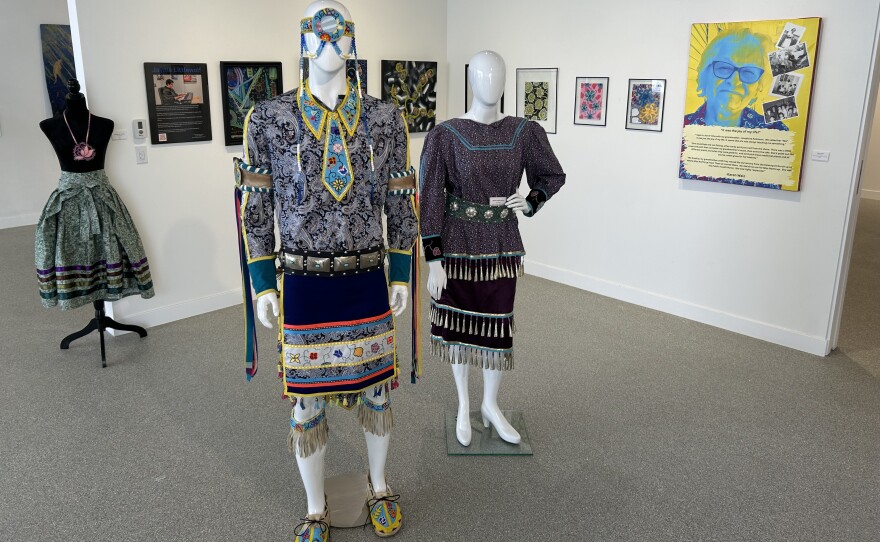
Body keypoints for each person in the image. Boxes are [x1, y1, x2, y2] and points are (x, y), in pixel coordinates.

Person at [233, 2, 416, 540]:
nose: (330, 42)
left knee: (378, 392)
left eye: (340, 32)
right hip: (305, 284)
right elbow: (257, 208)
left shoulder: (386, 120)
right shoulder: (267, 119)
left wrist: (402, 273)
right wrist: (264, 283)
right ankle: (316, 506)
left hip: (367, 279)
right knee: (306, 402)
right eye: (319, 31)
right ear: (303, 41)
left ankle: (379, 484)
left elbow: (401, 202)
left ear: (354, 41)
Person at [419, 51, 565, 447]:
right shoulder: (445, 134)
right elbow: (429, 196)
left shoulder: (524, 131)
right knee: (459, 325)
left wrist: (532, 199)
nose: (491, 81)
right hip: (456, 245)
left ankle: (490, 404)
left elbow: (552, 174)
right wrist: (432, 260)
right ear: (471, 79)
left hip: (501, 244)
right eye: (484, 74)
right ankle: (464, 404)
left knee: (497, 325)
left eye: (498, 74)